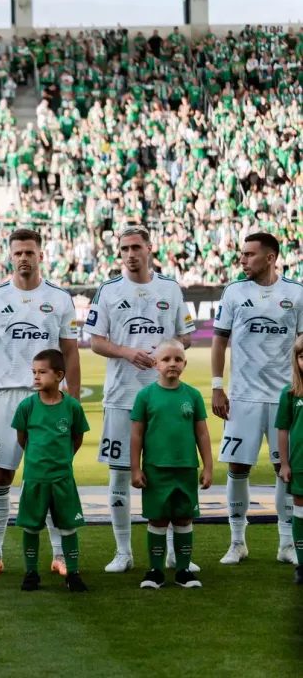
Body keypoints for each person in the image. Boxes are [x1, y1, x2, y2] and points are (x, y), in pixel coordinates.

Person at [0, 229, 80, 578]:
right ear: (10, 257)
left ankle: (59, 554)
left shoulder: (59, 298)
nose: (23, 258)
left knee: (52, 475)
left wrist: (74, 400)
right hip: (6, 397)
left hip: (48, 398)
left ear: (40, 256)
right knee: (1, 475)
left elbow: (71, 352)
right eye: (18, 252)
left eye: (29, 252)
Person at [87, 227, 195, 573]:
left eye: (136, 247)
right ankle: (123, 552)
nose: (130, 254)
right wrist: (127, 352)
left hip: (165, 396)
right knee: (120, 475)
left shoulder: (171, 288)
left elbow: (186, 337)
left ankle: (175, 553)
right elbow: (95, 341)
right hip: (122, 396)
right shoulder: (108, 290)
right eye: (124, 249)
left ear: (149, 249)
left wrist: (166, 351)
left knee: (168, 473)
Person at [212, 232, 303, 565]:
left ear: (270, 257)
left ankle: (286, 543)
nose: (242, 260)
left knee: (284, 468)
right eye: (242, 254)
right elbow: (219, 340)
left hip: (284, 396)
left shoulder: (296, 293)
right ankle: (237, 541)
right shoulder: (234, 292)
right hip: (243, 396)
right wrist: (217, 386)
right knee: (238, 467)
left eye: (249, 254)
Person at [129, 340, 213, 590]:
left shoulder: (193, 395)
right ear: (155, 364)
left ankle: (183, 570)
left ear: (185, 363)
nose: (172, 363)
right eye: (166, 359)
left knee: (184, 519)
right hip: (156, 470)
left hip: (186, 469)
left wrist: (208, 466)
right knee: (157, 520)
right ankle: (155, 571)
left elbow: (202, 433)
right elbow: (136, 434)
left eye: (178, 359)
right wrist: (136, 468)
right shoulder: (145, 396)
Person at [13, 349, 89, 593]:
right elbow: (22, 438)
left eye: (42, 372)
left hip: (62, 478)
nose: (36, 377)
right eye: (34, 372)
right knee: (31, 526)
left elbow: (77, 438)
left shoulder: (72, 407)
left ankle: (73, 573)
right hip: (34, 478)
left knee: (68, 526)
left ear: (59, 376)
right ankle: (31, 573)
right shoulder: (26, 406)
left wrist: (63, 459)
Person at [274, 335, 303, 585]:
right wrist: (284, 463)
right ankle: (302, 564)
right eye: (302, 357)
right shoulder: (291, 393)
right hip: (300, 464)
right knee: (300, 513)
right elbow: (282, 430)